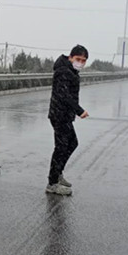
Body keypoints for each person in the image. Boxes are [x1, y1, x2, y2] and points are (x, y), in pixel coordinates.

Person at [46, 44, 89, 195]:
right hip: (59, 115)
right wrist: (79, 110)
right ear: (70, 57)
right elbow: (64, 96)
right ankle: (52, 183)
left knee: (72, 143)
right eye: (78, 59)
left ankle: (58, 174)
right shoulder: (63, 71)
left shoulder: (71, 71)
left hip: (65, 115)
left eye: (83, 60)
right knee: (61, 147)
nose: (80, 63)